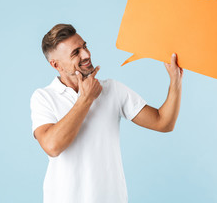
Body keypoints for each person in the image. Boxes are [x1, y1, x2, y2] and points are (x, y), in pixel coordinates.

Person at [30, 23, 183, 203]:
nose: (86, 55)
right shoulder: (44, 97)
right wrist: (86, 99)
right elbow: (52, 146)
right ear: (56, 65)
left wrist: (176, 80)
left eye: (84, 46)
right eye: (75, 53)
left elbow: (163, 123)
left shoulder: (112, 89)